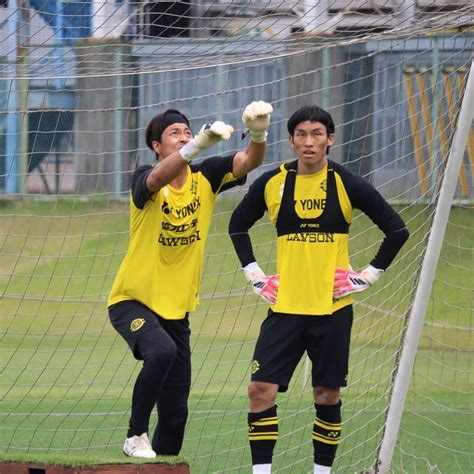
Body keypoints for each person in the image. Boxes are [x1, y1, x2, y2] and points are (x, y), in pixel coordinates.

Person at [228, 105, 409, 474]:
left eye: (317, 135)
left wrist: (367, 276)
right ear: (291, 140)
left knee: (326, 395)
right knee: (259, 390)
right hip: (285, 311)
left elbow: (397, 230)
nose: (309, 142)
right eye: (301, 135)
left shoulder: (346, 182)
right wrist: (256, 275)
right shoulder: (272, 182)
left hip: (332, 311)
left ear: (330, 139)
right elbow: (237, 226)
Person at [108, 101, 273, 459]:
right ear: (157, 146)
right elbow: (155, 179)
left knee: (177, 413)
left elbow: (249, 160)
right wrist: (194, 146)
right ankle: (135, 434)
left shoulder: (206, 177)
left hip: (177, 311)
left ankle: (163, 463)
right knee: (160, 351)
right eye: (175, 134)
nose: (183, 136)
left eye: (187, 131)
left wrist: (258, 132)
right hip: (131, 301)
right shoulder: (145, 176)